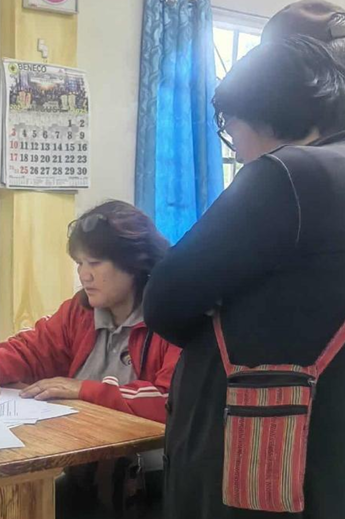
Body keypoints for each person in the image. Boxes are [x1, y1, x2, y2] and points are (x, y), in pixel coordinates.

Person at [144, 37, 345, 519]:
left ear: (265, 111)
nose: (237, 153)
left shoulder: (289, 173)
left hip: (267, 447)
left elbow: (165, 298)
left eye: (233, 132)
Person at [0, 200, 180, 424]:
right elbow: (30, 352)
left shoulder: (174, 320)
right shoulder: (80, 311)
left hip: (140, 445)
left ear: (134, 263)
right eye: (79, 263)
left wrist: (84, 390)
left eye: (95, 263)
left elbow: (171, 401)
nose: (84, 275)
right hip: (84, 437)